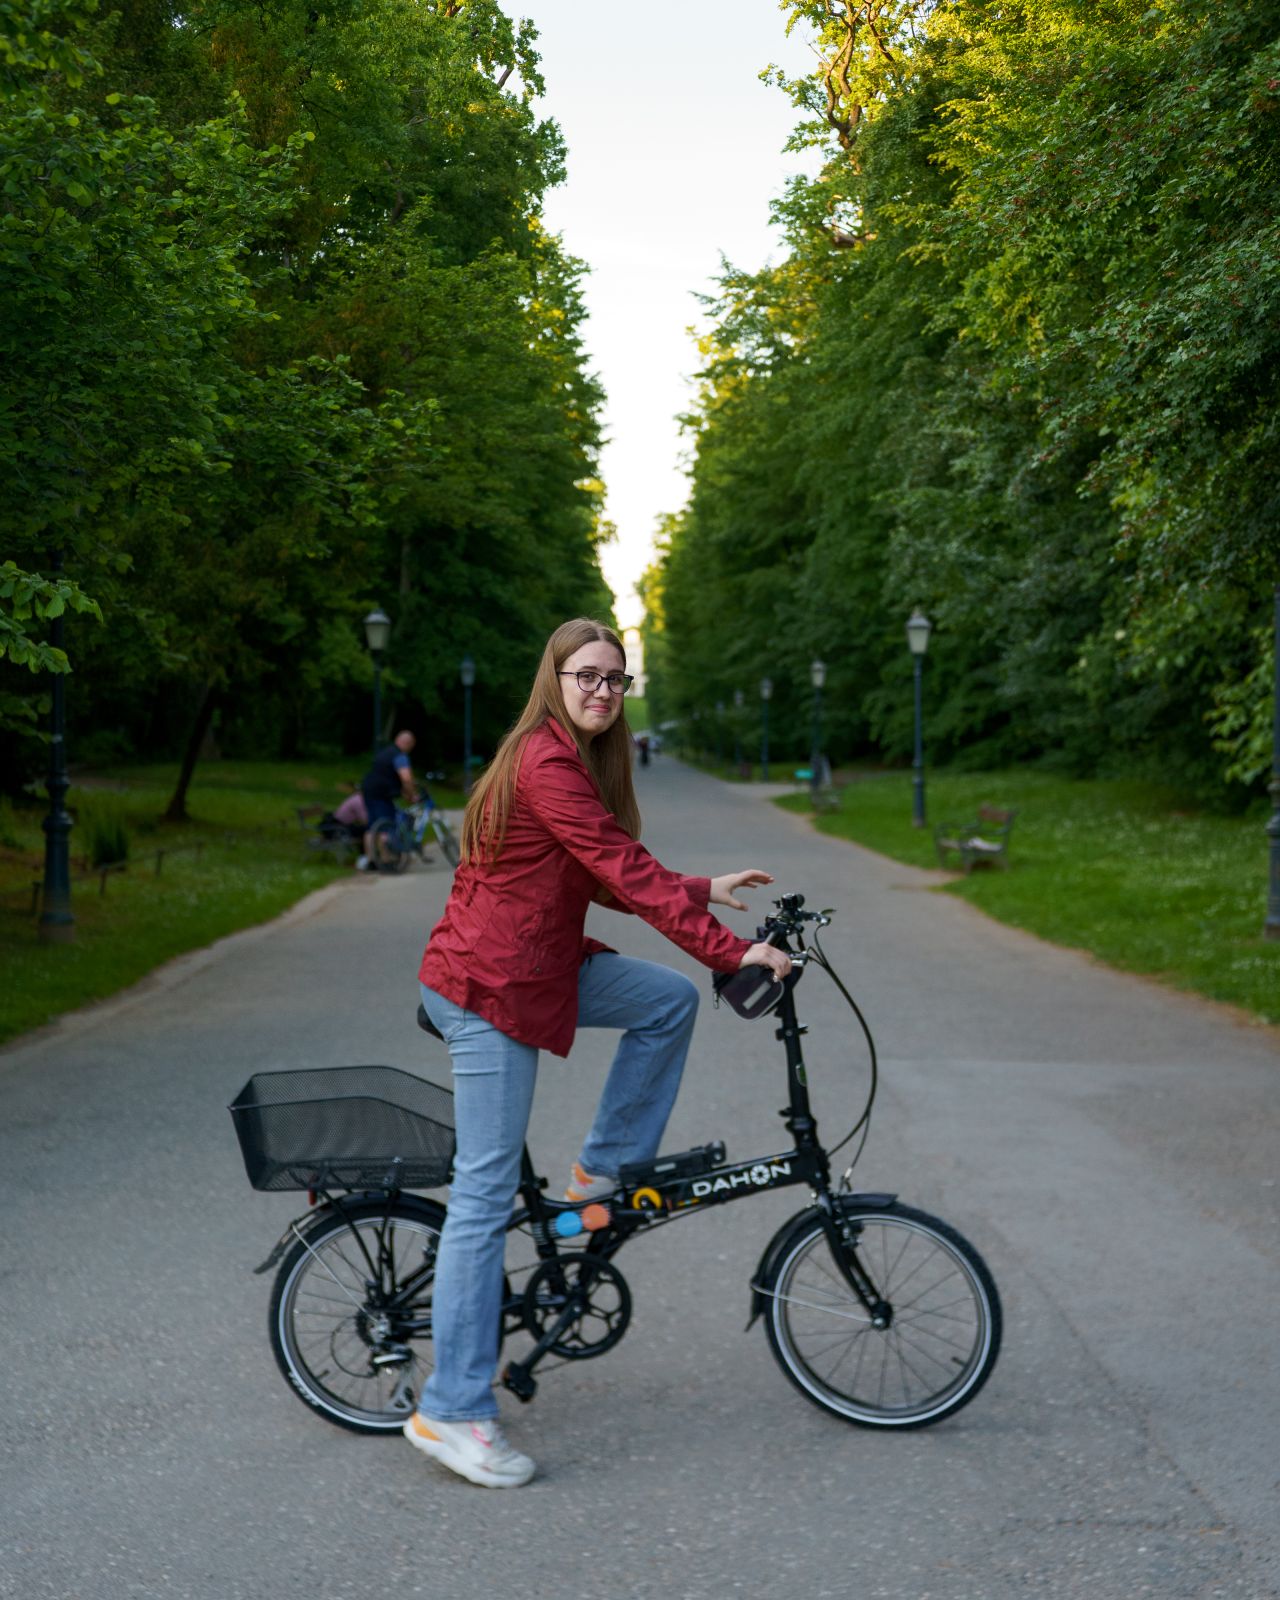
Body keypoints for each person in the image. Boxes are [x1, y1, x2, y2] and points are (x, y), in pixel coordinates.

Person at [405, 617, 791, 1489]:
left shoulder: (571, 762)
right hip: (488, 988)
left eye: (616, 681)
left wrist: (703, 890)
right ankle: (453, 1410)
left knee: (665, 1000)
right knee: (483, 1190)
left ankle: (598, 1177)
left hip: (534, 965)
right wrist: (733, 952)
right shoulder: (544, 762)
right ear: (556, 677)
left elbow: (602, 870)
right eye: (587, 676)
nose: (602, 693)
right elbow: (620, 867)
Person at [358, 731, 419, 869]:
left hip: (369, 791)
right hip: (382, 795)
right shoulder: (399, 756)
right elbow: (406, 778)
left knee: (372, 826)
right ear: (408, 744)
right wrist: (411, 794)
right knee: (386, 825)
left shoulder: (384, 753)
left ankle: (371, 860)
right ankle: (386, 860)